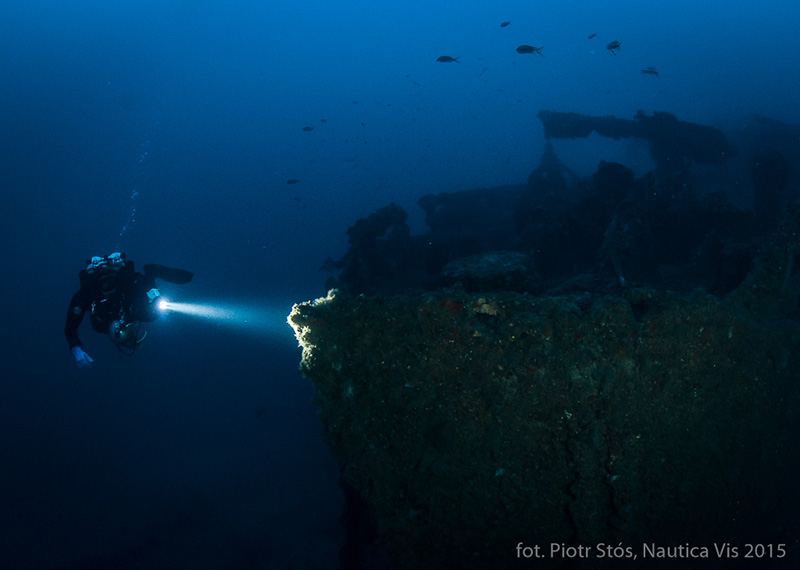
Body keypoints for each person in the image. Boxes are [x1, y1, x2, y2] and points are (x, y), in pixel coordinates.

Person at [65, 252, 193, 368]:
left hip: (116, 285)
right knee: (149, 308)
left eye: (119, 333)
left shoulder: (91, 301)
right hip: (128, 289)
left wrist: (76, 348)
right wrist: (159, 304)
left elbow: (71, 327)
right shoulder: (137, 311)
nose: (121, 327)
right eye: (126, 330)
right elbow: (148, 284)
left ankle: (101, 269)